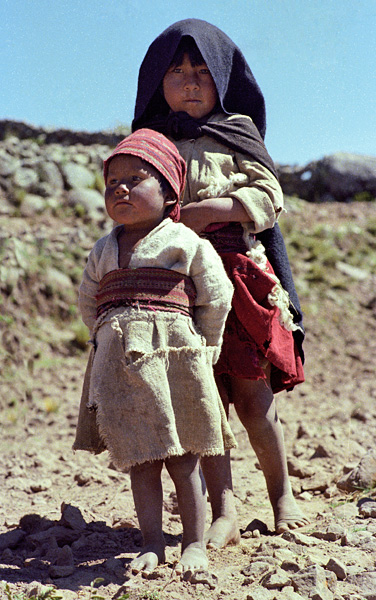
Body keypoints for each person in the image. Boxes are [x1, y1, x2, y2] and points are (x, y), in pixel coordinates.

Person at [132, 18, 309, 547]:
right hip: (177, 293)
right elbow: (129, 201)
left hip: (239, 284)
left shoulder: (238, 132)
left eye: (203, 73)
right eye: (178, 72)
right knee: (205, 405)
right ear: (155, 81)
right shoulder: (149, 144)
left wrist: (217, 208)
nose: (190, 82)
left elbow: (267, 197)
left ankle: (282, 496)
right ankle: (223, 511)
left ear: (225, 79)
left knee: (253, 401)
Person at [73, 128, 236, 576]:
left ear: (168, 194)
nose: (120, 189)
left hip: (176, 363)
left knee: (184, 458)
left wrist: (206, 343)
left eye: (136, 179)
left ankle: (194, 544)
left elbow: (217, 294)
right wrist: (109, 335)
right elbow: (88, 300)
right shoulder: (103, 251)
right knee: (140, 458)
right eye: (112, 183)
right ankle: (151, 544)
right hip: (123, 367)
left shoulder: (185, 242)